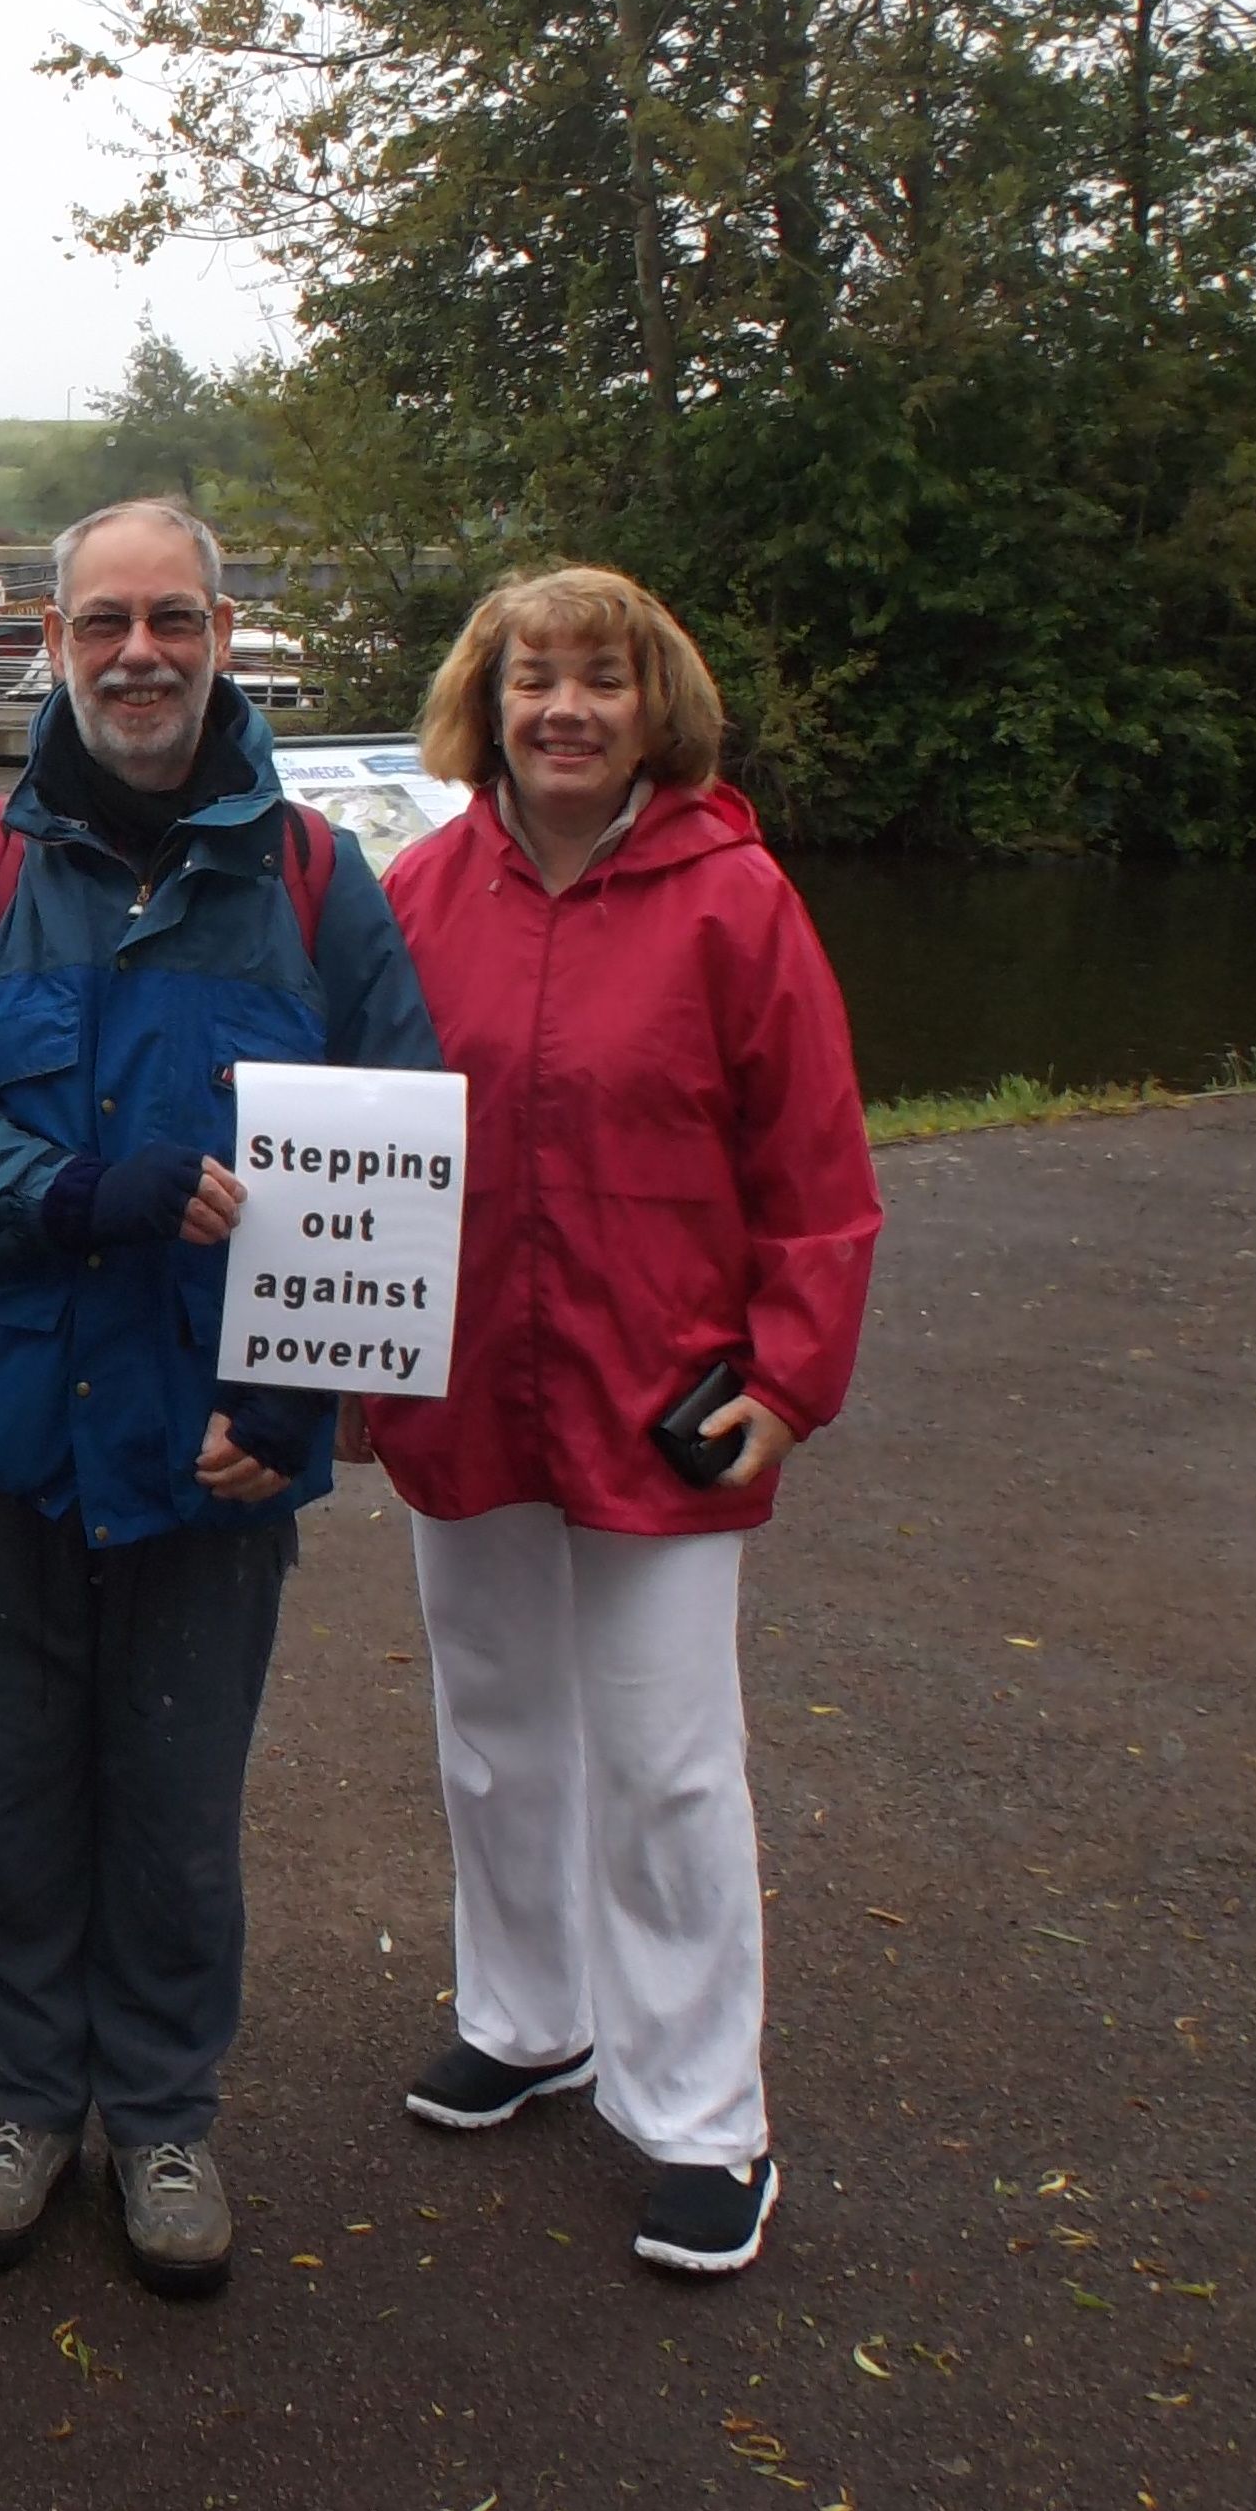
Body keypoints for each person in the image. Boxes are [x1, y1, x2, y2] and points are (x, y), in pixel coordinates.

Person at [0, 499, 436, 2301]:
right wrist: (67, 1194)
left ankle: (168, 2111)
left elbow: (394, 1155)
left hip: (209, 1456)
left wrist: (286, 1407)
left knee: (179, 1804)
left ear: (223, 632)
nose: (137, 653)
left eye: (170, 620)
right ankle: (26, 2102)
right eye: (103, 621)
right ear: (50, 640)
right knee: (13, 1797)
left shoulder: (320, 888)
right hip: (15, 1438)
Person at [352, 565, 877, 2278]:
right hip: (465, 1383)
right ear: (484, 705)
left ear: (656, 708)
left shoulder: (738, 902)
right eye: (531, 682)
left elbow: (814, 1171)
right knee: (495, 1729)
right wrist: (341, 1354)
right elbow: (358, 1144)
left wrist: (790, 1375)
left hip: (664, 1396)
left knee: (666, 1763)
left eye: (599, 682)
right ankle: (527, 2017)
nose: (562, 710)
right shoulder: (419, 893)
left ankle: (705, 2115)